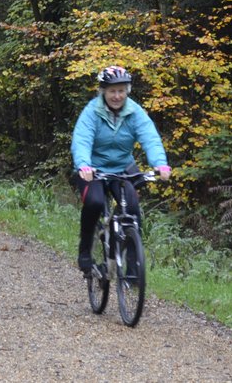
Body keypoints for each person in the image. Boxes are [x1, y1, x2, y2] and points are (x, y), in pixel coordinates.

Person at [70, 66, 172, 276]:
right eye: (112, 91)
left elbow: (150, 137)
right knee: (95, 202)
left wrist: (160, 164)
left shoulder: (135, 112)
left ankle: (133, 269)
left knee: (132, 207)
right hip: (93, 170)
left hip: (122, 168)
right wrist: (83, 164)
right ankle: (85, 251)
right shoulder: (92, 112)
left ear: (127, 91)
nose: (117, 96)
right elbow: (81, 140)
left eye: (121, 91)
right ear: (103, 91)